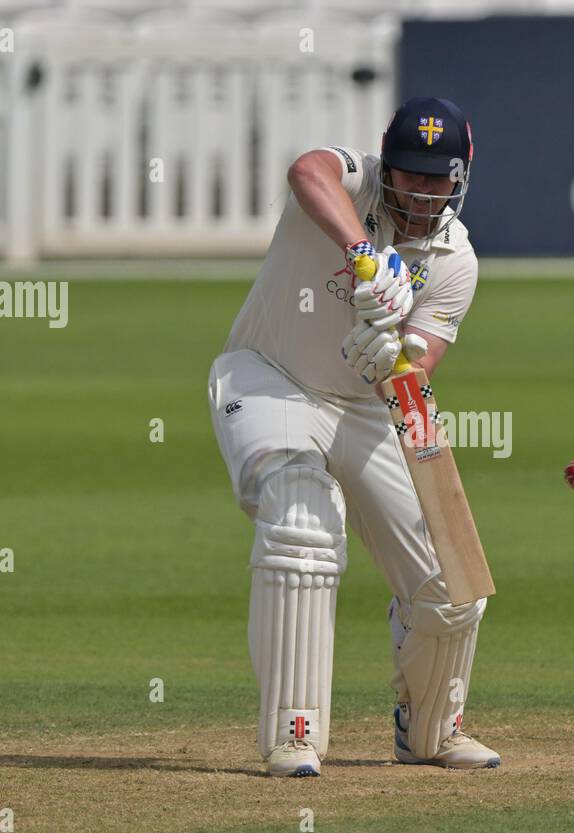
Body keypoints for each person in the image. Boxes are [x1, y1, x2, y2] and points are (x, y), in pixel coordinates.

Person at [206, 96, 500, 777]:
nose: (421, 191)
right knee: (303, 525)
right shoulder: (352, 181)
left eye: (437, 178)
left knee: (453, 582)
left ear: (462, 176)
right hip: (271, 378)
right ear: (385, 165)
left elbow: (419, 366)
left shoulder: (455, 259)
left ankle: (431, 731)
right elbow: (305, 169)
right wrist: (364, 257)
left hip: (364, 409)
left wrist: (386, 356)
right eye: (409, 174)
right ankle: (295, 734)